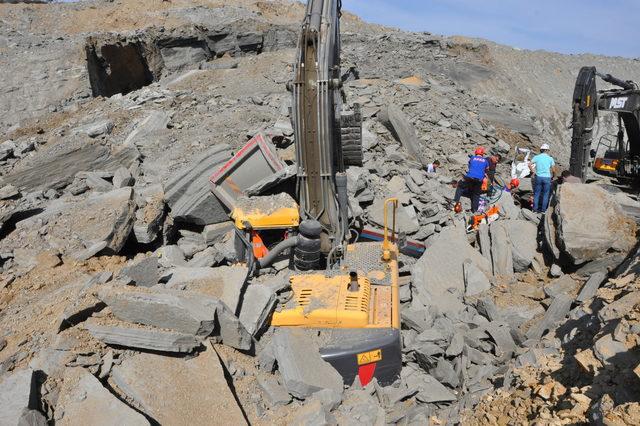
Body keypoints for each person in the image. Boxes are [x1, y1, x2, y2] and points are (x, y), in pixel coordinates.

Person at [453, 147, 490, 213]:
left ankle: (455, 201)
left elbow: (470, 166)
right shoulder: (485, 161)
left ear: (476, 152)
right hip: (479, 179)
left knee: (460, 187)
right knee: (476, 194)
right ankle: (474, 210)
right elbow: (487, 169)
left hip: (470, 177)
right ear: (482, 154)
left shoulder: (472, 158)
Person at [530, 143, 556, 213]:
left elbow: (529, 164)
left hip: (538, 177)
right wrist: (553, 176)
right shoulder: (550, 158)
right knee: (546, 194)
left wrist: (533, 171)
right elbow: (553, 170)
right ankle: (543, 210)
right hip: (547, 178)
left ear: (541, 150)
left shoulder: (537, 157)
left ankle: (535, 209)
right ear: (547, 150)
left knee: (537, 193)